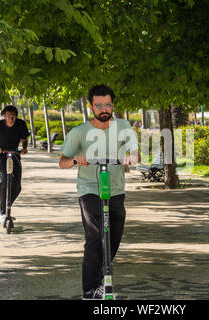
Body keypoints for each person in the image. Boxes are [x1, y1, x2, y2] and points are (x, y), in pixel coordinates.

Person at [59, 84, 138, 299]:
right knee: (95, 235)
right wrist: (76, 159)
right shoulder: (80, 132)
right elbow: (63, 162)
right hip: (89, 190)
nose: (104, 109)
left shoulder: (123, 126)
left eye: (108, 105)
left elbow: (135, 154)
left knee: (114, 232)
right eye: (99, 105)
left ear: (113, 105)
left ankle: (102, 275)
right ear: (91, 106)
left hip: (116, 190)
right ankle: (90, 289)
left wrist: (130, 158)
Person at [0, 105, 29, 225]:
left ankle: (4, 204)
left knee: (17, 186)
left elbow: (24, 139)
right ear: (4, 116)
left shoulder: (20, 124)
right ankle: (2, 212)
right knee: (5, 179)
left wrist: (24, 148)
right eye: (9, 117)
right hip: (0, 155)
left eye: (13, 117)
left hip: (14, 153)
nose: (11, 119)